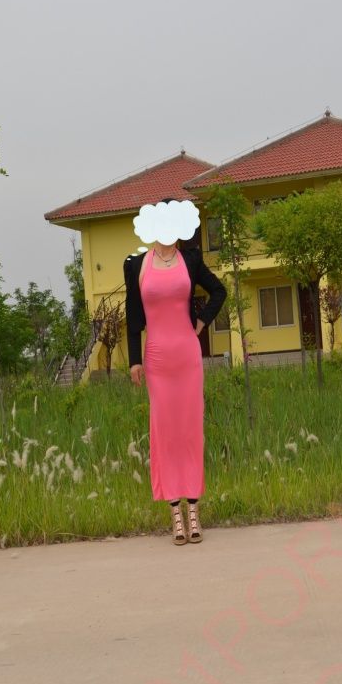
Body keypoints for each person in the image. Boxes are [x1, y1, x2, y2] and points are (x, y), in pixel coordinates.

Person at [123, 200, 227, 545]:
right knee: (164, 431)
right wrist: (134, 360)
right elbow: (133, 317)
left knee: (190, 429)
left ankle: (194, 509)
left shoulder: (191, 259)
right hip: (157, 360)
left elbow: (219, 291)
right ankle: (175, 513)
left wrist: (201, 321)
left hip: (187, 356)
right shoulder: (136, 264)